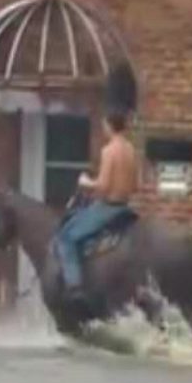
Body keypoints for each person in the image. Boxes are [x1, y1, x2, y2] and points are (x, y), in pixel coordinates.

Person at [55, 108, 138, 301]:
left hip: (109, 207)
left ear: (109, 125)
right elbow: (135, 185)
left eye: (104, 125)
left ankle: (74, 286)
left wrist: (85, 182)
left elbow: (103, 185)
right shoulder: (131, 150)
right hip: (126, 207)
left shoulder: (109, 151)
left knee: (66, 237)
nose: (103, 129)